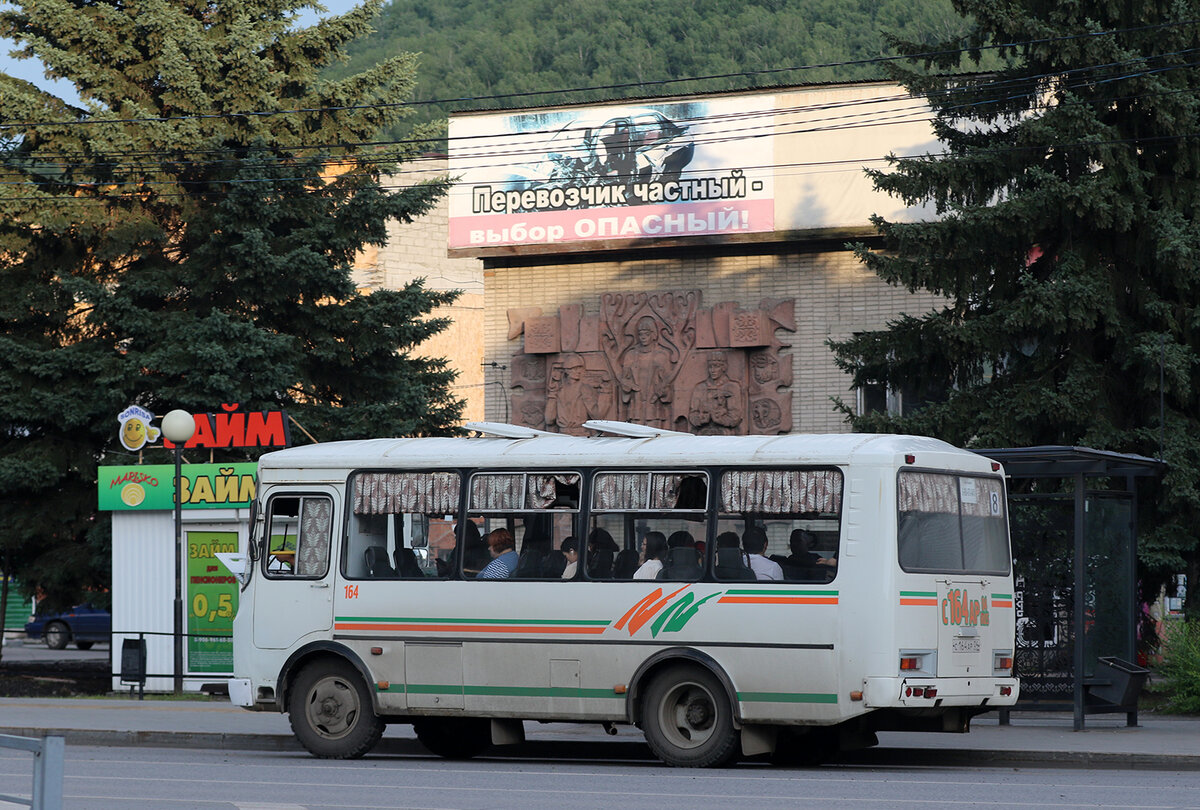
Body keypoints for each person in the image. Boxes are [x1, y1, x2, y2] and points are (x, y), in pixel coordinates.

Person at [619, 315, 673, 427]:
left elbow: (667, 383)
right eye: (640, 334)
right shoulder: (631, 355)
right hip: (636, 403)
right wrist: (629, 386)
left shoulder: (661, 355)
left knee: (654, 434)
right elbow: (624, 379)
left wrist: (662, 391)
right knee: (635, 432)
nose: (643, 337)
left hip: (653, 404)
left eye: (646, 334)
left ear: (653, 335)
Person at [688, 351, 743, 435]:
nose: (712, 370)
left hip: (726, 434)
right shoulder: (700, 388)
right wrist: (701, 419)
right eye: (710, 367)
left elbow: (735, 416)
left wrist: (719, 418)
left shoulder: (732, 387)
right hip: (702, 434)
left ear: (724, 367)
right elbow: (693, 414)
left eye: (716, 366)